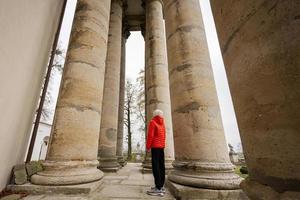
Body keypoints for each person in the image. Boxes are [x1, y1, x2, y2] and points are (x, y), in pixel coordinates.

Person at [146, 109, 166, 197]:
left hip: (155, 146)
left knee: (156, 167)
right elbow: (164, 135)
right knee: (162, 166)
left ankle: (158, 188)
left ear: (154, 115)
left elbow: (150, 135)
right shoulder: (162, 123)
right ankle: (161, 186)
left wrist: (148, 146)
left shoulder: (153, 122)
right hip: (161, 147)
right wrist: (162, 145)